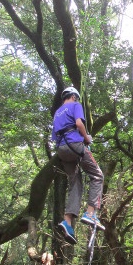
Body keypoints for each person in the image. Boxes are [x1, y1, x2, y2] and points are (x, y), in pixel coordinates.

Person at [52, 85, 105, 244]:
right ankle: (90, 213)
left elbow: (55, 135)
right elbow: (79, 124)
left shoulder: (57, 113)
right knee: (97, 175)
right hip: (74, 145)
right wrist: (86, 138)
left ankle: (67, 222)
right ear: (74, 96)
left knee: (75, 182)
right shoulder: (75, 105)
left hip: (61, 149)